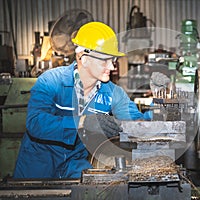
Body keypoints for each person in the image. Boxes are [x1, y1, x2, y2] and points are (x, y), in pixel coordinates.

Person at [13, 21, 151, 179]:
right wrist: (83, 122)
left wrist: (156, 117)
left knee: (95, 191)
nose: (112, 67)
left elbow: (134, 121)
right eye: (104, 60)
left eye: (113, 60)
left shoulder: (113, 93)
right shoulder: (51, 81)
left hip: (74, 163)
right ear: (83, 58)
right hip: (38, 163)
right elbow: (35, 123)